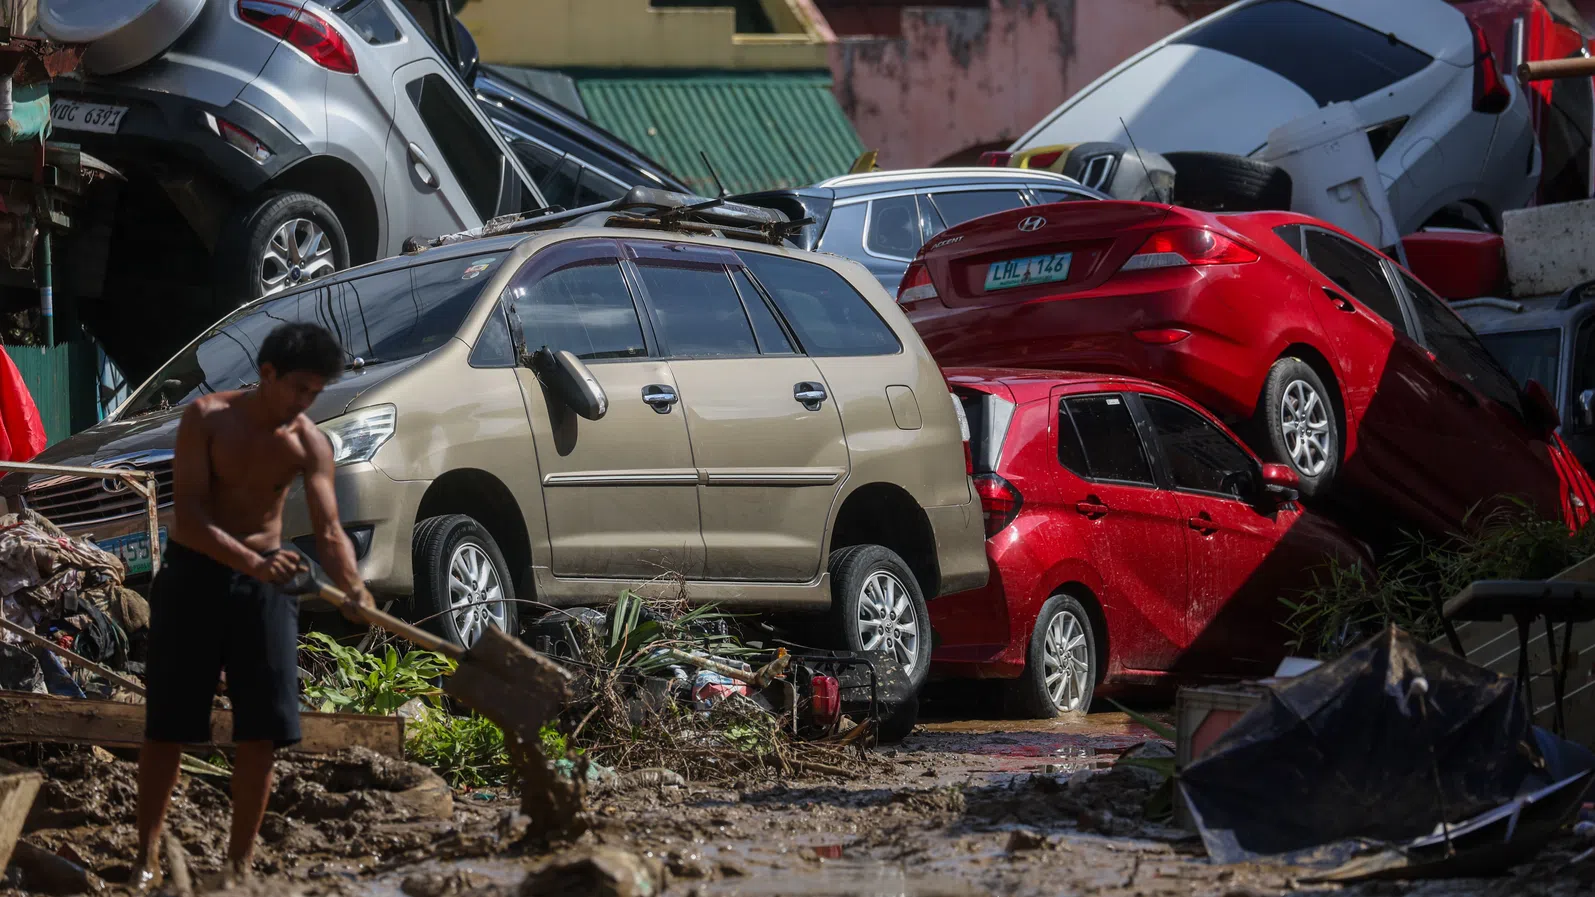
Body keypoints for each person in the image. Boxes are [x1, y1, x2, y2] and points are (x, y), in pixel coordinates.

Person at [133, 322, 374, 887]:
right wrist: (251, 562)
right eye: (298, 390)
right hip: (195, 575)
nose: (304, 405)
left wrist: (355, 588)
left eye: (314, 395)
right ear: (267, 374)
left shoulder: (308, 442)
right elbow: (189, 517)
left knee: (262, 728)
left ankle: (237, 867)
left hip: (266, 584)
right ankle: (144, 856)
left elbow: (329, 527)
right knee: (168, 725)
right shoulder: (207, 419)